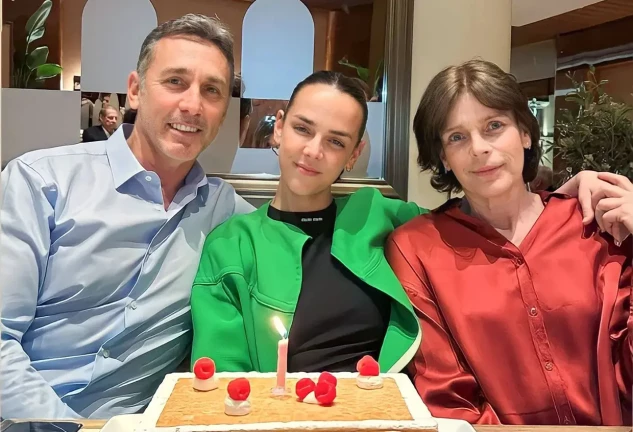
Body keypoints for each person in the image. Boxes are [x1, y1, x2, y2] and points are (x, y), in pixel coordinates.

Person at [190, 70, 616, 375]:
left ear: (353, 156)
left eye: (336, 141)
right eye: (303, 129)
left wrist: (565, 195)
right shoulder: (232, 244)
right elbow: (222, 382)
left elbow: (481, 217)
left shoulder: (383, 216)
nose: (314, 150)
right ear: (278, 130)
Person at [0, 14, 253, 420]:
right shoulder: (42, 182)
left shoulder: (225, 211)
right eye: (175, 82)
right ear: (135, 91)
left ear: (224, 112)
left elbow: (302, 234)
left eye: (212, 91)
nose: (192, 104)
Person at [385, 59, 632, 426]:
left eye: (494, 126)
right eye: (457, 137)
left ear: (525, 133)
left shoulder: (594, 222)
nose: (479, 148)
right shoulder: (417, 247)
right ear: (443, 158)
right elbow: (446, 396)